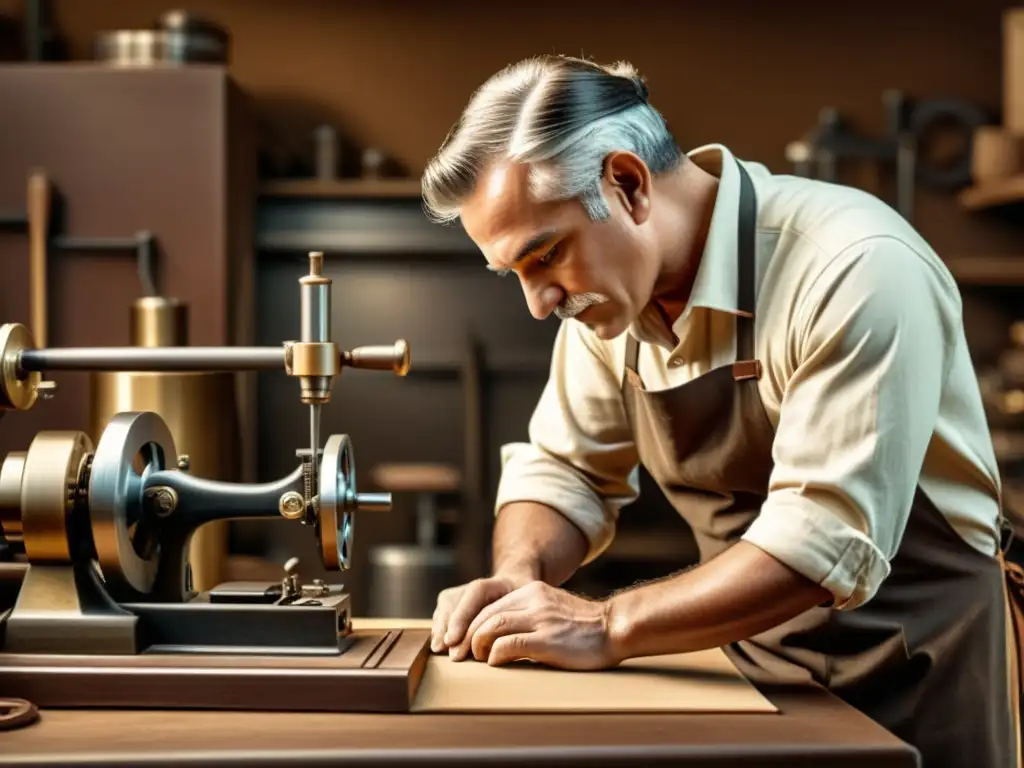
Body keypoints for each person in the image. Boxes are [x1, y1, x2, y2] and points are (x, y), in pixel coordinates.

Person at [420, 54, 1019, 766]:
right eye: (514, 274)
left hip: (916, 667)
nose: (538, 301)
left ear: (627, 184)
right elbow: (565, 471)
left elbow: (820, 542)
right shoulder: (613, 305)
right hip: (742, 669)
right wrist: (522, 576)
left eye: (544, 256)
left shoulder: (856, 265)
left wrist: (607, 624)